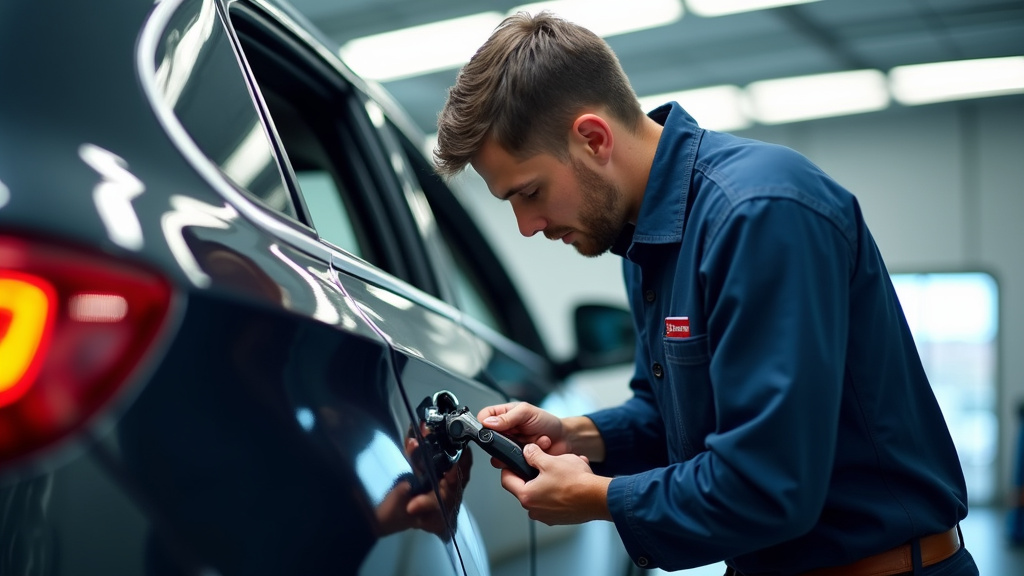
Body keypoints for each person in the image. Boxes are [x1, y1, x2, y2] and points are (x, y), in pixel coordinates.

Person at [432, 10, 979, 576]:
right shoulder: (646, 239)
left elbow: (768, 484)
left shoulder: (761, 215)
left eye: (529, 192)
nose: (526, 226)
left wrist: (599, 498)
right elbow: (669, 420)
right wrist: (575, 435)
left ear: (593, 138)